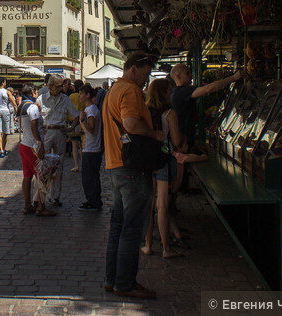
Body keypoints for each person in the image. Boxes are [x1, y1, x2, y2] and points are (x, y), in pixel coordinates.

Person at [102, 52, 163, 299]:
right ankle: (125, 284)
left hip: (115, 166)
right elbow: (129, 123)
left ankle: (112, 279)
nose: (147, 80)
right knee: (131, 229)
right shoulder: (129, 91)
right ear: (134, 70)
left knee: (118, 226)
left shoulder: (112, 91)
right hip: (131, 169)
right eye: (146, 74)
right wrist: (154, 134)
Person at [141, 78, 197, 259]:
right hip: (165, 160)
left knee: (149, 205)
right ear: (164, 92)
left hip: (148, 160)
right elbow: (176, 141)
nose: (172, 92)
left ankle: (148, 245)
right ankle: (166, 249)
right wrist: (185, 141)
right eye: (170, 89)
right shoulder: (170, 113)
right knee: (162, 205)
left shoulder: (144, 110)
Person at [170, 64, 244, 149]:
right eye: (187, 73)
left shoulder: (177, 92)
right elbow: (208, 89)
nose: (191, 75)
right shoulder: (181, 92)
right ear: (178, 76)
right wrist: (233, 78)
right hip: (184, 141)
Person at [35, 74, 79, 207]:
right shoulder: (41, 99)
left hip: (59, 132)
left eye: (61, 86)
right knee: (42, 165)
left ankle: (54, 196)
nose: (61, 89)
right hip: (46, 132)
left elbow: (76, 115)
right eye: (58, 86)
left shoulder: (65, 99)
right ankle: (39, 196)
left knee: (59, 165)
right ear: (50, 86)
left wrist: (70, 127)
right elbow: (34, 116)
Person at [17, 84, 55, 216]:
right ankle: (41, 206)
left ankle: (27, 205)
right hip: (32, 145)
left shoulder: (21, 105)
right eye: (36, 91)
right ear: (32, 92)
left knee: (27, 176)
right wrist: (39, 143)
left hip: (24, 144)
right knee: (42, 176)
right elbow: (34, 125)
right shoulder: (32, 106)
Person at [78, 84, 103, 211]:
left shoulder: (91, 110)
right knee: (92, 176)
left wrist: (82, 121)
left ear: (88, 95)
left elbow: (91, 129)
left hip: (91, 148)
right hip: (91, 148)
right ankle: (94, 200)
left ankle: (93, 201)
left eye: (82, 93)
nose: (79, 96)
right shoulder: (91, 109)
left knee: (89, 177)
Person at [0, 77, 17, 158]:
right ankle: (3, 149)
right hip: (5, 111)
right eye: (5, 82)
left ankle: (1, 150)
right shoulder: (7, 92)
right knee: (5, 132)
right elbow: (14, 103)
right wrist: (17, 112)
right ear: (2, 82)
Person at [68, 79, 84, 173]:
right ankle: (83, 164)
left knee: (74, 145)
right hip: (82, 121)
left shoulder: (71, 96)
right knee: (82, 145)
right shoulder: (82, 96)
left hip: (72, 121)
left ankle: (76, 165)